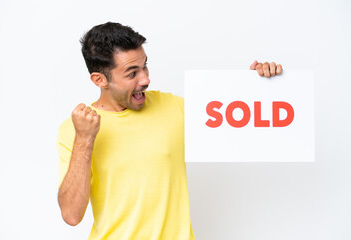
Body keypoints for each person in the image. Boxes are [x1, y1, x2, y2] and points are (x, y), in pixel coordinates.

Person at [56, 22, 282, 240]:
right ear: (100, 80)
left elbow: (240, 117)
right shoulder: (75, 130)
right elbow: (71, 215)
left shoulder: (174, 108)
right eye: (132, 73)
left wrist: (261, 85)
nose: (146, 79)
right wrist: (85, 140)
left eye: (144, 66)